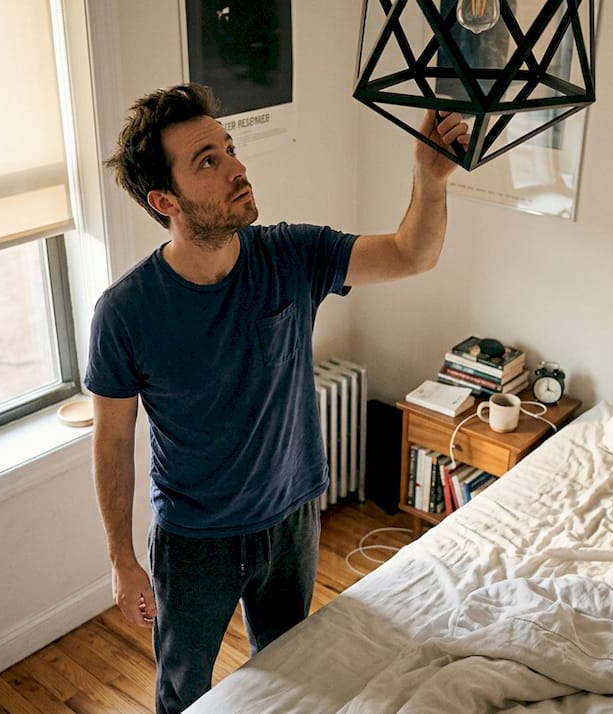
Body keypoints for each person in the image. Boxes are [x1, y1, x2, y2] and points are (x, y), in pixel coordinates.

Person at [85, 83, 467, 714]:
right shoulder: (125, 313)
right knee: (183, 691)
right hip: (193, 540)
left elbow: (410, 254)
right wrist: (123, 560)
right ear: (164, 200)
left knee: (292, 673)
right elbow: (114, 440)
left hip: (291, 517)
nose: (236, 166)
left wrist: (431, 179)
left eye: (228, 148)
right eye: (206, 160)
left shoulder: (291, 254)